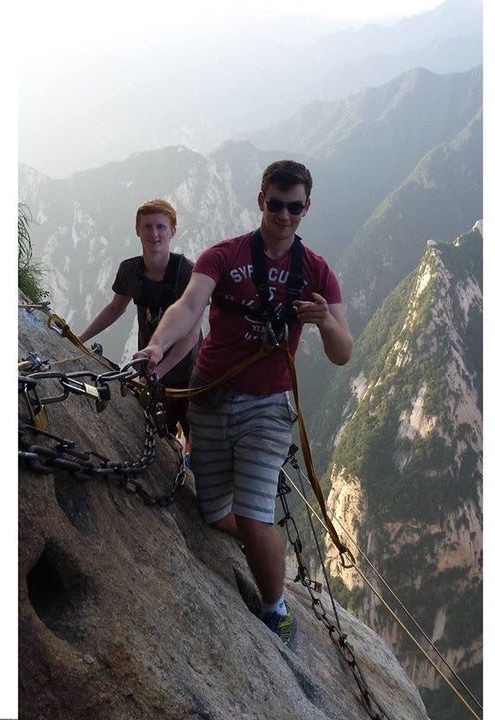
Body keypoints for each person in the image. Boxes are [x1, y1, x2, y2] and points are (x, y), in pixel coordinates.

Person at [133, 160, 353, 647]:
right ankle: (266, 549)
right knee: (215, 513)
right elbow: (188, 307)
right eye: (275, 204)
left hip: (267, 407)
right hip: (209, 398)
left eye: (294, 207)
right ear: (261, 200)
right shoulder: (223, 256)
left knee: (254, 517)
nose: (284, 215)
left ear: (306, 208)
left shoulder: (317, 272)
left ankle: (277, 610)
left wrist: (324, 322)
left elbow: (343, 353)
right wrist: (156, 347)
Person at [79, 198, 201, 439]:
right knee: (156, 442)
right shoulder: (130, 270)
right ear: (137, 230)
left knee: (200, 448)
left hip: (190, 378)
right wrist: (79, 339)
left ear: (172, 231)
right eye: (147, 226)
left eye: (160, 227)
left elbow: (192, 335)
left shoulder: (188, 273)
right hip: (152, 374)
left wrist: (159, 372)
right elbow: (116, 308)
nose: (153, 233)